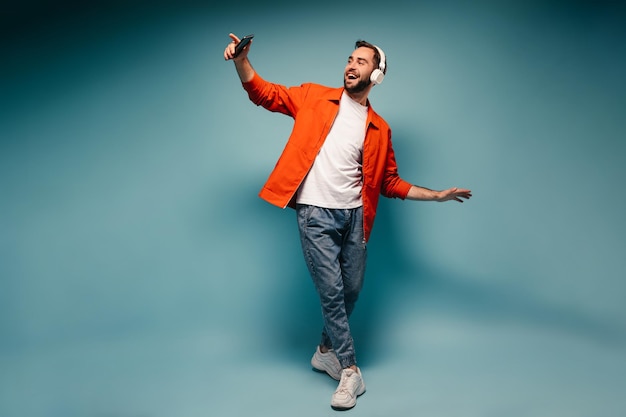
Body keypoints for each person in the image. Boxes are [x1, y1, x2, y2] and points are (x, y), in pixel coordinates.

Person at [223, 33, 472, 410]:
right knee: (331, 293)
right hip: (314, 214)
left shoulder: (379, 129)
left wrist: (436, 195)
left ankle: (325, 350)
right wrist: (242, 61)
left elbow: (388, 181)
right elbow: (265, 94)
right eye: (350, 59)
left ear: (377, 75)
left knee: (350, 290)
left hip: (355, 218)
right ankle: (349, 371)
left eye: (361, 62)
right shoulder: (313, 97)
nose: (351, 65)